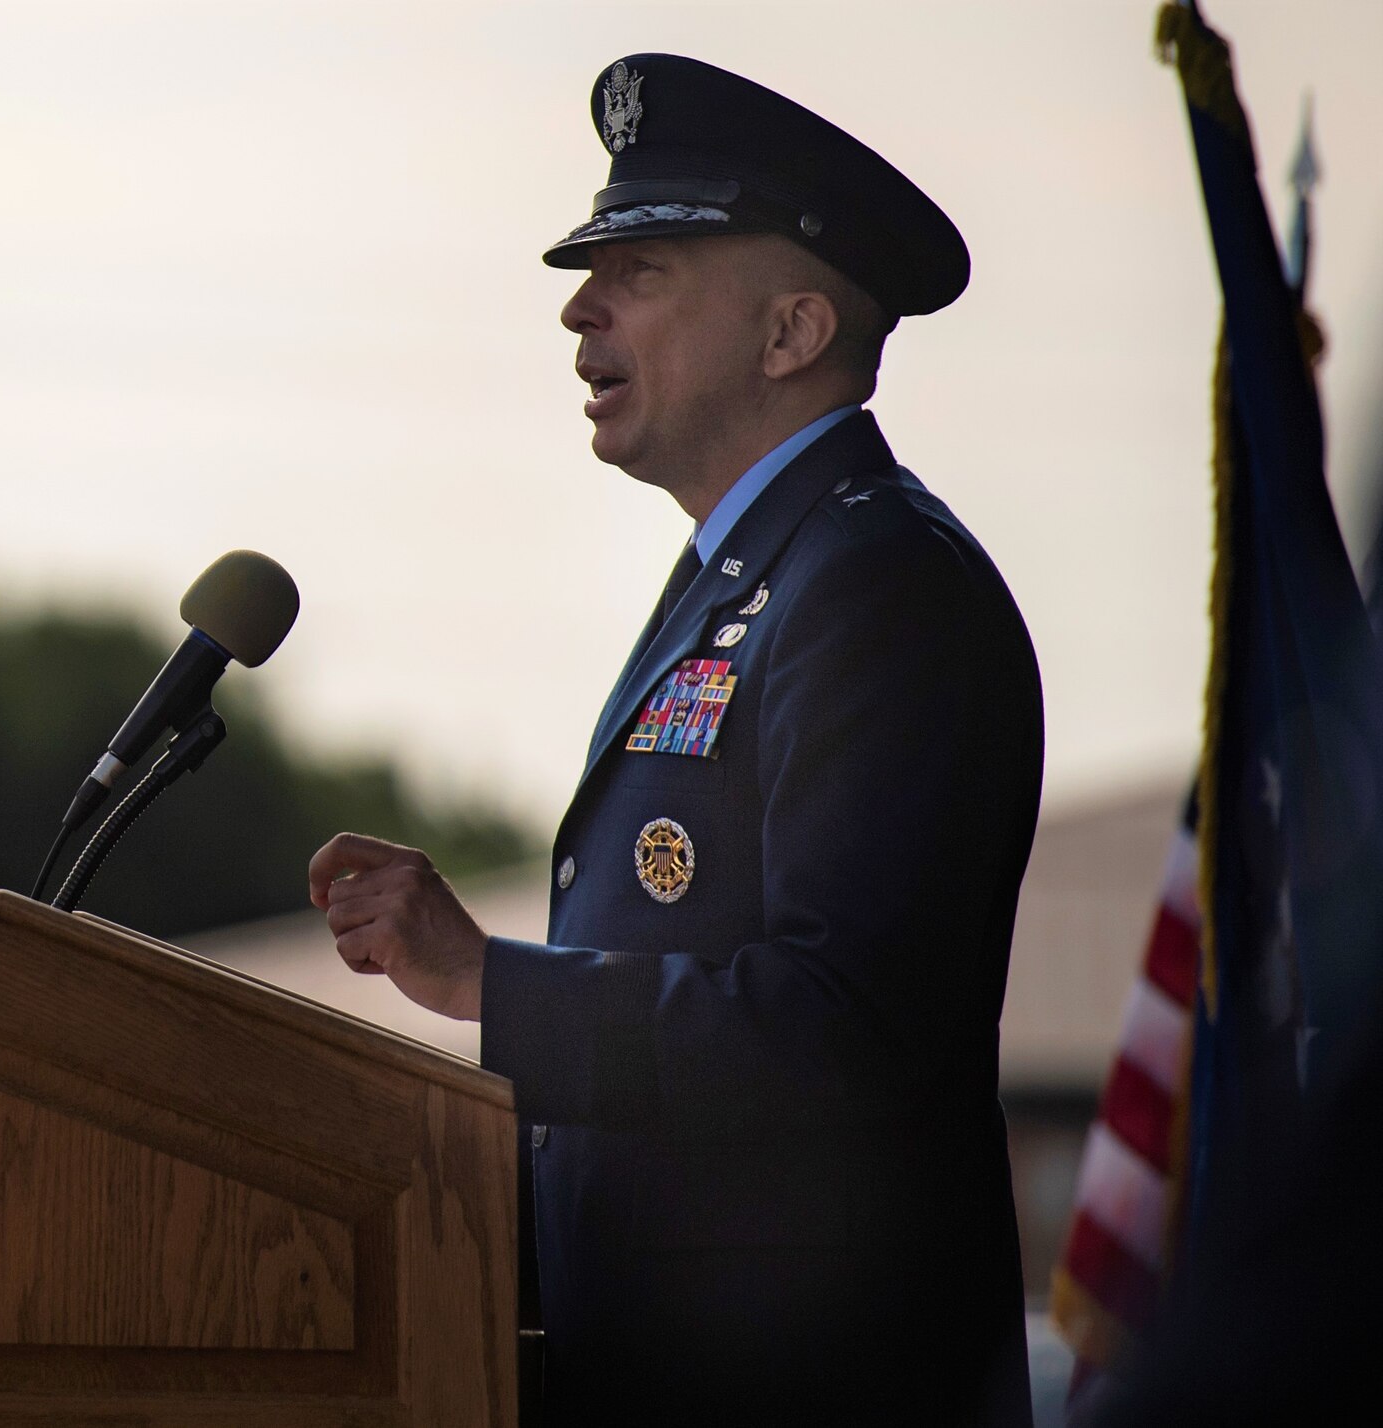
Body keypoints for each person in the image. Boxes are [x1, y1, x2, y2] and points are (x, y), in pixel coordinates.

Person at [308, 52, 1041, 1425]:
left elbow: (847, 1036)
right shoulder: (754, 573)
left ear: (790, 333)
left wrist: (492, 986)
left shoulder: (881, 587)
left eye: (642, 272)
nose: (581, 309)